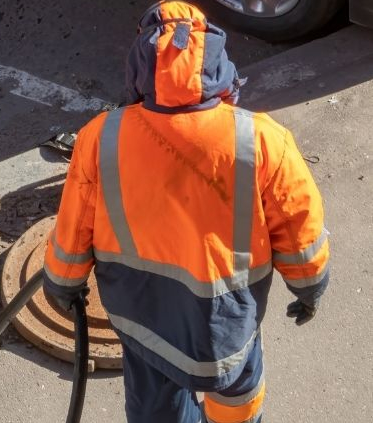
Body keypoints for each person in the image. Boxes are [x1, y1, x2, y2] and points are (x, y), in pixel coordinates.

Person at [42, 2, 329, 422]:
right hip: (228, 324)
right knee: (238, 403)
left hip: (144, 321)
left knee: (157, 411)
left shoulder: (102, 136)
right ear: (219, 65)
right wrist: (309, 289)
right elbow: (299, 224)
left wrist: (60, 283)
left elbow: (75, 224)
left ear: (140, 65)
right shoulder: (261, 137)